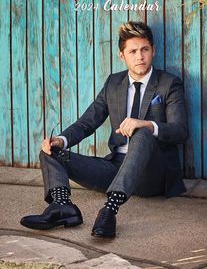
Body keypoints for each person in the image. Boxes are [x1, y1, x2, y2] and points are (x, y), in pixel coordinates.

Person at [20, 21, 188, 238]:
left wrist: (146, 124)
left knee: (143, 132)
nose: (140, 57)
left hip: (151, 175)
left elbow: (180, 131)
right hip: (115, 168)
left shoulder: (169, 83)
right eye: (133, 51)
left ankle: (110, 209)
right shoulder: (114, 83)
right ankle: (62, 207)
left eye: (145, 49)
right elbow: (87, 122)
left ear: (153, 51)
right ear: (122, 55)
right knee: (50, 151)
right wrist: (61, 140)